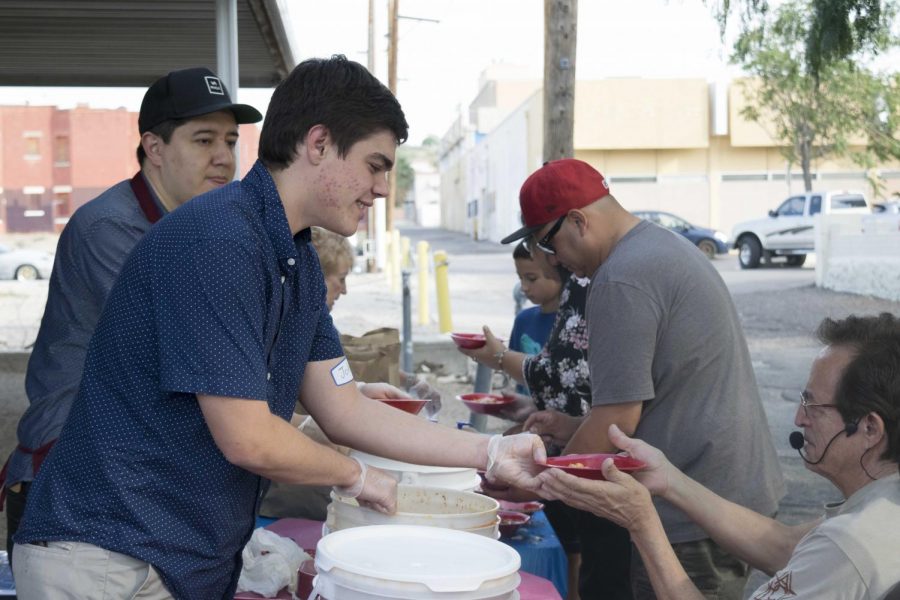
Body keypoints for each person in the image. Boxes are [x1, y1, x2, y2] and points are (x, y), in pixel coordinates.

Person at [11, 55, 543, 600]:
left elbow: (343, 407)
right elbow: (250, 438)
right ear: (317, 144)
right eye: (374, 165)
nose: (383, 188)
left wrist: (491, 453)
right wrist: (354, 476)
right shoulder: (219, 239)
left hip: (173, 555)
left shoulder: (297, 258)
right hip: (110, 556)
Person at [0, 66, 263, 560]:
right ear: (155, 148)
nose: (224, 158)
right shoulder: (110, 228)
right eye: (204, 140)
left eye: (230, 140)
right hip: (71, 486)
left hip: (131, 477)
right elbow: (195, 349)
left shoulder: (192, 227)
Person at [499, 158, 785, 599]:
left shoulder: (620, 279)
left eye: (549, 245)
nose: (554, 263)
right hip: (722, 492)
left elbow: (618, 420)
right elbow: (661, 393)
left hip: (694, 509)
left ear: (577, 221)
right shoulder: (657, 248)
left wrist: (538, 480)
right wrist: (573, 427)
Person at [537, 313, 900, 600]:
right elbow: (784, 546)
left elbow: (822, 550)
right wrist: (668, 479)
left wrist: (642, 523)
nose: (798, 418)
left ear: (869, 429)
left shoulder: (848, 547)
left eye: (814, 405)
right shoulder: (882, 506)